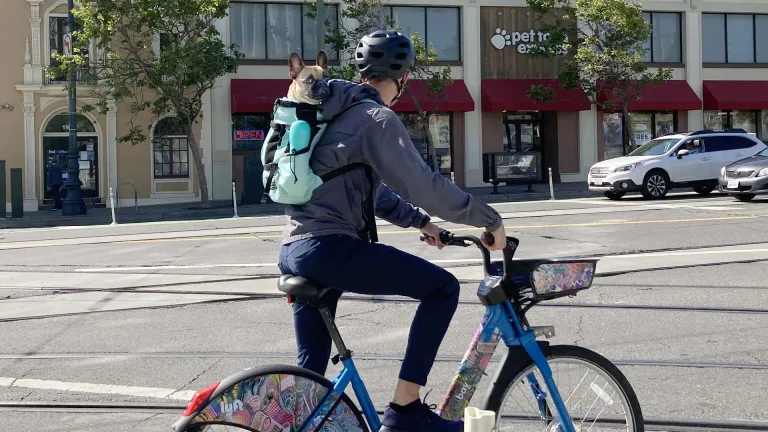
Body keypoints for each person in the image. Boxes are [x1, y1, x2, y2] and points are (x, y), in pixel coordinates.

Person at [277, 30, 506, 432]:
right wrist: (488, 219)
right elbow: (422, 184)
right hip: (329, 247)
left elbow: (371, 193)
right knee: (442, 289)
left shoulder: (334, 114)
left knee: (309, 380)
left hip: (296, 247)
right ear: (403, 78)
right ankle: (405, 409)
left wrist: (421, 223)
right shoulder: (376, 118)